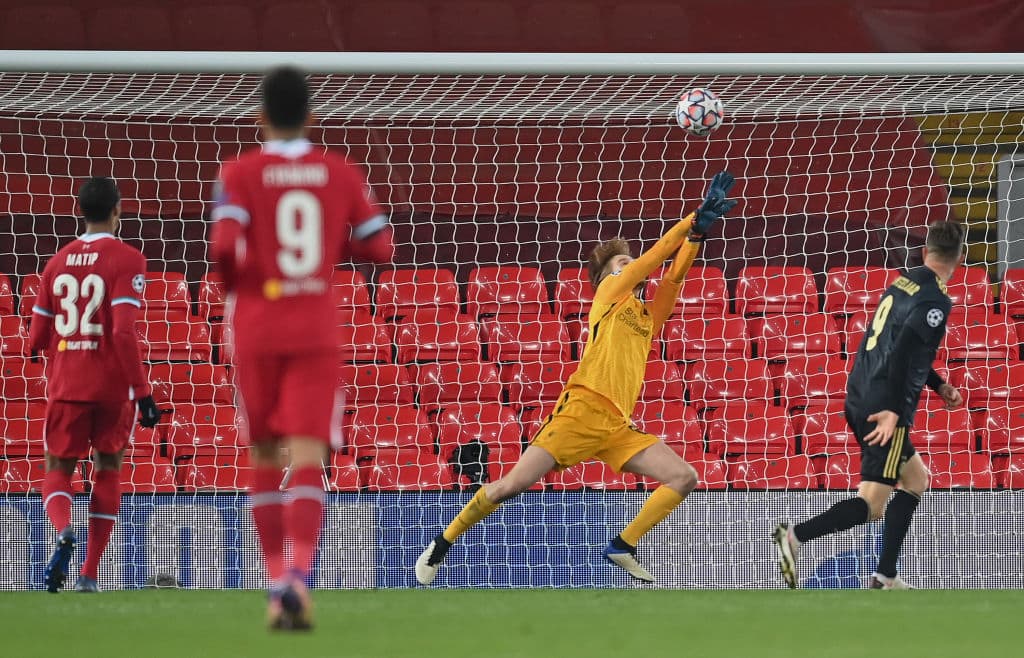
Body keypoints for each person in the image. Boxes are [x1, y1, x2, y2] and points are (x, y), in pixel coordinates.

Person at [416, 172, 738, 586]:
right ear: (606, 277)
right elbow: (656, 256)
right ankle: (442, 543)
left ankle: (623, 545)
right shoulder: (608, 297)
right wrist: (691, 220)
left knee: (684, 477)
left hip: (617, 425)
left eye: (628, 262)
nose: (629, 266)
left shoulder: (646, 318)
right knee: (511, 486)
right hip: (580, 412)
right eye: (621, 264)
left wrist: (696, 238)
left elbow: (673, 278)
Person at [209, 66, 394, 630]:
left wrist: (246, 283)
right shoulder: (339, 171)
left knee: (265, 455)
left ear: (260, 117)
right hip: (314, 326)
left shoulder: (238, 171)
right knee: (309, 454)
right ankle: (300, 579)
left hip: (258, 326)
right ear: (312, 117)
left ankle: (274, 585)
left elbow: (223, 249)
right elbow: (380, 247)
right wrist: (330, 244)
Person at [773, 220, 967, 590]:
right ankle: (793, 537)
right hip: (884, 407)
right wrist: (894, 410)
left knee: (916, 481)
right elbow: (903, 353)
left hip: (863, 391)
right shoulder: (935, 300)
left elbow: (897, 345)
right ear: (960, 258)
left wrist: (939, 384)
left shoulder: (904, 282)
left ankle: (885, 576)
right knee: (873, 505)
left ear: (924, 251)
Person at [30, 176, 161, 594]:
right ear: (117, 210)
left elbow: (35, 339)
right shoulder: (129, 259)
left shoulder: (56, 263)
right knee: (108, 469)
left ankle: (64, 530)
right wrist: (143, 393)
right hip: (113, 389)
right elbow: (122, 331)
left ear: (80, 211)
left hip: (68, 383)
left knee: (57, 470)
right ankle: (88, 574)